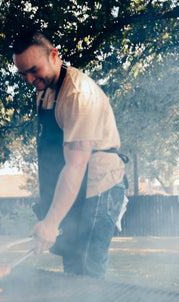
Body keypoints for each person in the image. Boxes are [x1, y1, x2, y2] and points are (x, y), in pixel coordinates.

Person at [12, 30, 128, 278]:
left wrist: (52, 223)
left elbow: (76, 165)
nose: (30, 78)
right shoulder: (44, 89)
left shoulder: (78, 94)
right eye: (23, 74)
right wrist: (48, 211)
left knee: (87, 272)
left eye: (34, 70)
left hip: (99, 186)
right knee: (71, 269)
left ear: (54, 55)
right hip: (76, 188)